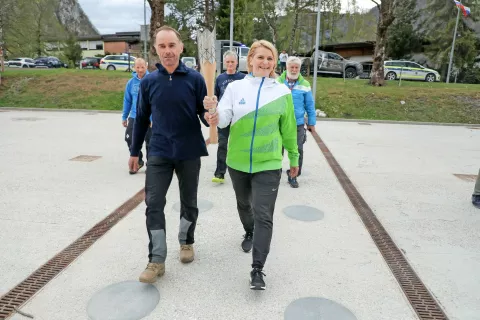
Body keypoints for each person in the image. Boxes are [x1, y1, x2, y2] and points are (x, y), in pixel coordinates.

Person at [204, 40, 299, 290]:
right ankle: (248, 231)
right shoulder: (235, 88)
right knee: (244, 204)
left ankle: (258, 269)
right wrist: (214, 116)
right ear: (251, 60)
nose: (265, 62)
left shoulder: (282, 93)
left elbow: (289, 130)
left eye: (270, 58)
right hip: (237, 162)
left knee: (264, 214)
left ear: (274, 62)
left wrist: (294, 158)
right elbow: (223, 119)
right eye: (260, 57)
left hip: (268, 163)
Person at [129, 26, 209, 284]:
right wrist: (135, 151)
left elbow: (203, 113)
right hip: (159, 151)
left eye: (171, 45)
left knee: (189, 201)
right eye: (162, 46)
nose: (167, 51)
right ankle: (156, 260)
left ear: (181, 47)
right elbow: (141, 118)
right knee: (153, 203)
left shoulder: (195, 79)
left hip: (188, 151)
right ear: (156, 49)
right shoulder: (149, 81)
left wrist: (210, 115)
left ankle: (186, 242)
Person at [277, 56, 316, 188]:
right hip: (280, 123)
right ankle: (274, 174)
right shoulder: (278, 82)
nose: (294, 70)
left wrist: (311, 123)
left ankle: (293, 176)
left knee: (297, 149)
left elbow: (310, 105)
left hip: (298, 123)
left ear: (299, 69)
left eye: (296, 67)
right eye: (291, 67)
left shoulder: (304, 85)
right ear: (286, 67)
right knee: (278, 150)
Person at [212, 50, 246, 183]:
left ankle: (242, 171)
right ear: (224, 63)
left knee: (240, 144)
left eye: (232, 62)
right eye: (228, 62)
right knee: (223, 144)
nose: (230, 64)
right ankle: (220, 173)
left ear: (237, 62)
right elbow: (215, 96)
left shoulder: (243, 78)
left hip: (239, 117)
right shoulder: (220, 78)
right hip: (224, 117)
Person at [122, 58, 152, 174]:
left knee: (150, 141)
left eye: (142, 67)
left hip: (149, 117)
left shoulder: (151, 80)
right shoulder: (131, 83)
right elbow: (127, 101)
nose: (140, 70)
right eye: (137, 67)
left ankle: (151, 164)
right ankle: (138, 160)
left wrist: (153, 118)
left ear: (147, 66)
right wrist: (124, 117)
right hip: (134, 116)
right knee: (129, 138)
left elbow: (155, 101)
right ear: (134, 67)